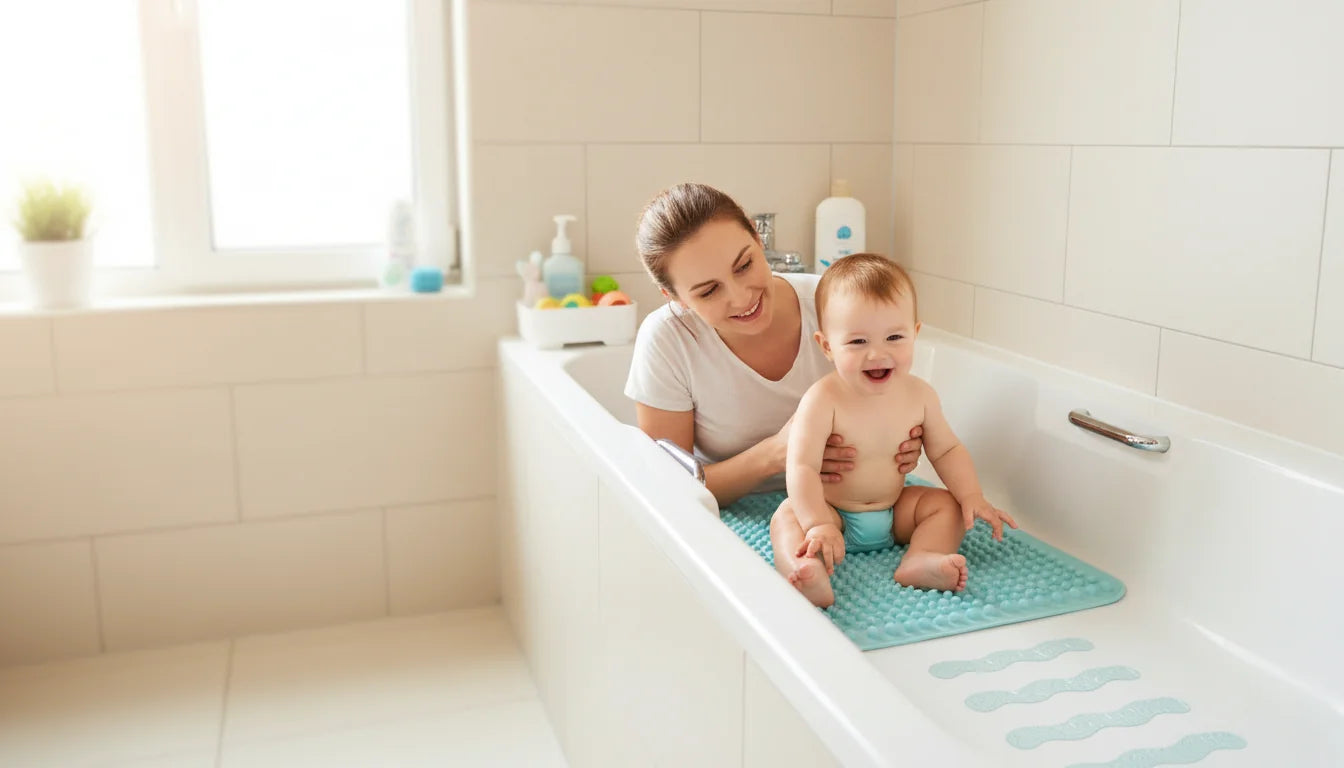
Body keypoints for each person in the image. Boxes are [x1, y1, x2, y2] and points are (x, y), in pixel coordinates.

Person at [624, 183, 925, 507]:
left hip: (848, 502)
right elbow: (668, 486)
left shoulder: (835, 306)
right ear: (675, 298)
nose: (741, 297)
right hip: (734, 511)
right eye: (709, 291)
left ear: (756, 236)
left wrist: (900, 440)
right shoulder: (669, 340)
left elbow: (894, 393)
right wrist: (776, 453)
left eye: (744, 265)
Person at [774, 254, 1017, 607]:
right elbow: (802, 467)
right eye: (858, 342)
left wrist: (972, 497)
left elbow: (946, 450)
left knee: (945, 507)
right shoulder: (822, 399)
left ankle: (922, 558)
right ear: (827, 346)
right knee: (785, 516)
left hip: (894, 512)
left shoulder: (920, 395)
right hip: (834, 512)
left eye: (894, 337)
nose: (877, 353)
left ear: (915, 334)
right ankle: (805, 569)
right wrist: (817, 524)